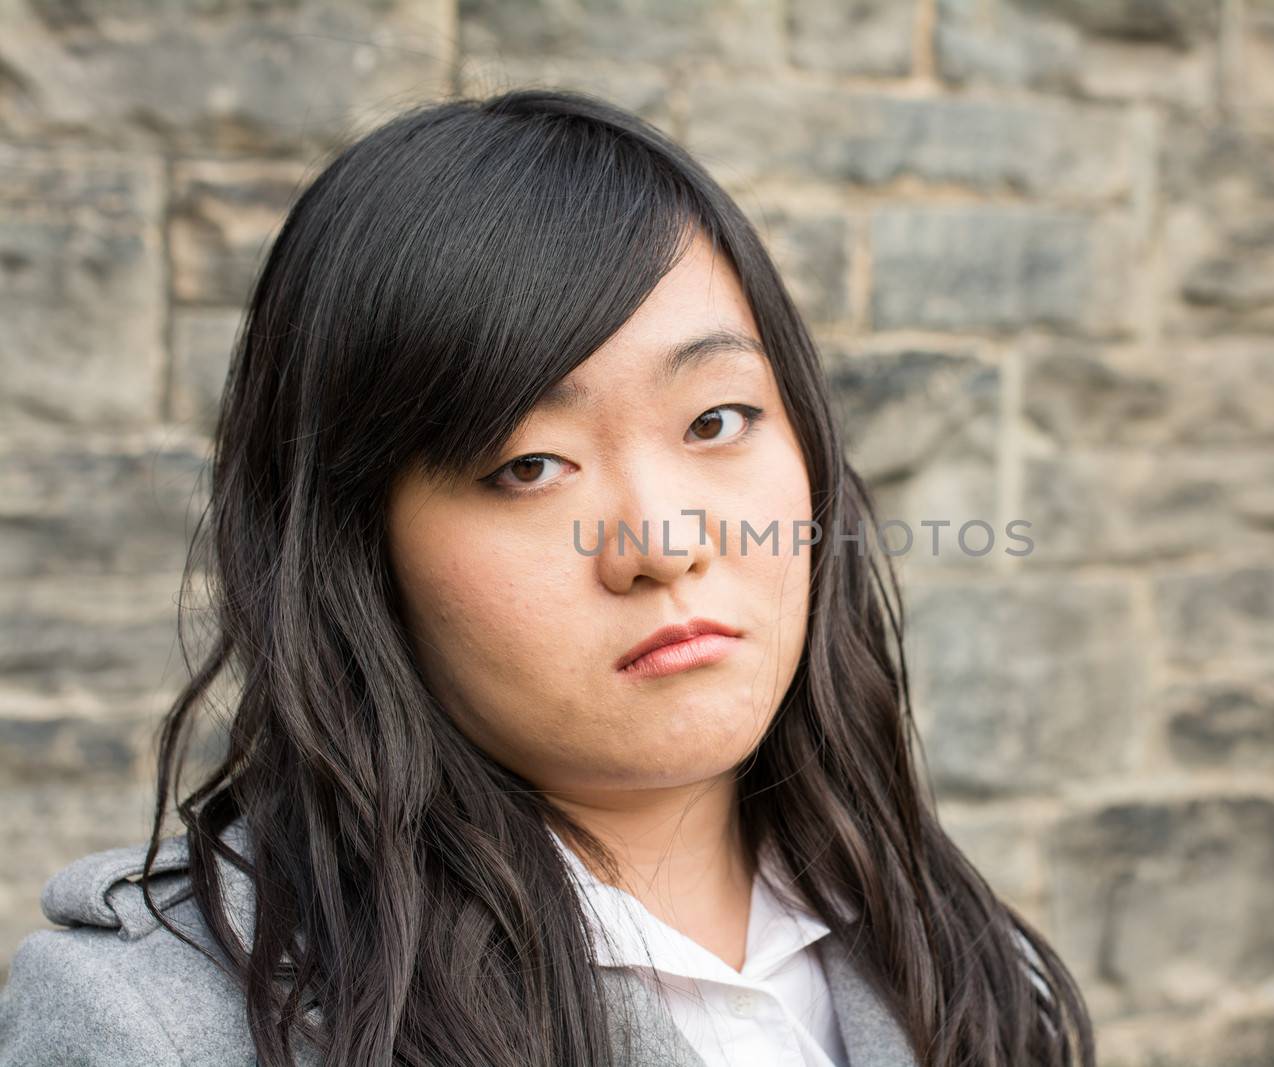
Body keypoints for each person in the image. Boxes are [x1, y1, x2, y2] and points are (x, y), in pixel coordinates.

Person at [0, 87, 1096, 1067]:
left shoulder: (974, 971)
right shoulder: (147, 1028)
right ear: (352, 548)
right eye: (529, 466)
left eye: (717, 418)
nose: (663, 542)